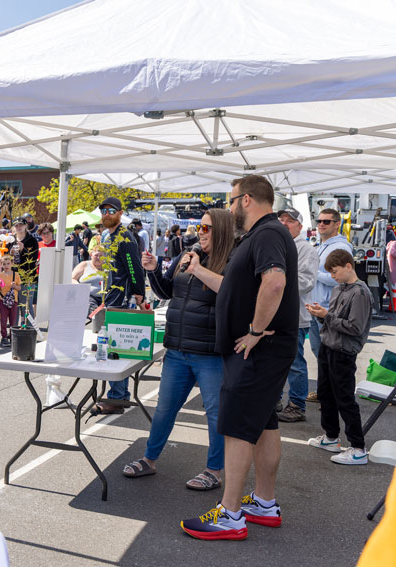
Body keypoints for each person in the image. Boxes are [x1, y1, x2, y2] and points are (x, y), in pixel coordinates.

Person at [181, 175, 299, 541]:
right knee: (264, 426)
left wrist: (256, 331)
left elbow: (275, 282)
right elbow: (233, 287)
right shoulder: (263, 235)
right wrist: (200, 270)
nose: (229, 208)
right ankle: (264, 503)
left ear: (246, 200)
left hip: (257, 350)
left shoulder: (266, 233)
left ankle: (230, 514)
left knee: (236, 428)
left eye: (231, 201)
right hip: (262, 351)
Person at [122, 209, 235, 489]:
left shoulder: (231, 259)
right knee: (165, 408)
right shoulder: (188, 254)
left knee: (215, 413)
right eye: (200, 228)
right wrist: (152, 272)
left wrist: (198, 268)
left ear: (221, 230)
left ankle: (214, 470)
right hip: (178, 347)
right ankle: (149, 459)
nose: (201, 233)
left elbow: (232, 293)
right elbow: (167, 292)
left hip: (209, 351)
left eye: (207, 229)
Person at [306, 249, 374, 465]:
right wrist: (322, 314)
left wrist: (326, 316)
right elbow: (335, 319)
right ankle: (331, 437)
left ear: (348, 266)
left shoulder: (360, 293)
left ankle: (358, 448)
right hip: (329, 346)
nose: (332, 276)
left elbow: (355, 328)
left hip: (343, 351)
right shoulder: (339, 289)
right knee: (326, 394)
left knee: (344, 399)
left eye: (334, 272)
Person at [95, 197, 145, 409]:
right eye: (103, 210)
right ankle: (120, 393)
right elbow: (110, 268)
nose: (107, 214)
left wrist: (139, 294)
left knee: (116, 350)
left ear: (120, 212)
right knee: (113, 349)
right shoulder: (106, 235)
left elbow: (134, 268)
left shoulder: (125, 237)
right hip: (109, 297)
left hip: (121, 300)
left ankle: (116, 397)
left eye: (111, 210)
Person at [276, 207, 319, 423]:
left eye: (289, 220)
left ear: (300, 226)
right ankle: (276, 400)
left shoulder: (305, 250)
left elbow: (306, 282)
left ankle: (297, 405)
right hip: (276, 315)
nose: (284, 223)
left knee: (295, 362)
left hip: (295, 316)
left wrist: (274, 282)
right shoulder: (279, 245)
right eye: (281, 219)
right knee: (274, 360)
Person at [307, 208, 353, 403]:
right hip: (317, 307)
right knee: (321, 354)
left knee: (329, 355)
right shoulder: (322, 245)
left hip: (328, 309)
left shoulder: (340, 246)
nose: (321, 224)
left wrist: (312, 273)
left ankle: (331, 395)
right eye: (319, 221)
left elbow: (341, 279)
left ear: (337, 224)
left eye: (326, 221)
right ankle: (324, 392)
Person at [11, 217, 40, 317]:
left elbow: (33, 260)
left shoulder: (32, 240)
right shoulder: (11, 239)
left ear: (25, 226)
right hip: (12, 276)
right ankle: (14, 330)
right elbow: (4, 258)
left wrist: (23, 250)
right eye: (16, 225)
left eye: (21, 225)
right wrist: (9, 254)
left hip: (27, 277)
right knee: (13, 306)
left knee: (26, 306)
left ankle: (29, 330)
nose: (19, 227)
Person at [0, 253, 21, 346]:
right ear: (1, 265)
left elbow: (19, 288)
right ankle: (4, 337)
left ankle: (12, 336)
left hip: (13, 300)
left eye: (8, 263)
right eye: (4, 264)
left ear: (11, 264)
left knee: (13, 320)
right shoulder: (0, 275)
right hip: (3, 300)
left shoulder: (16, 274)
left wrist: (15, 286)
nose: (6, 266)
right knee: (3, 320)